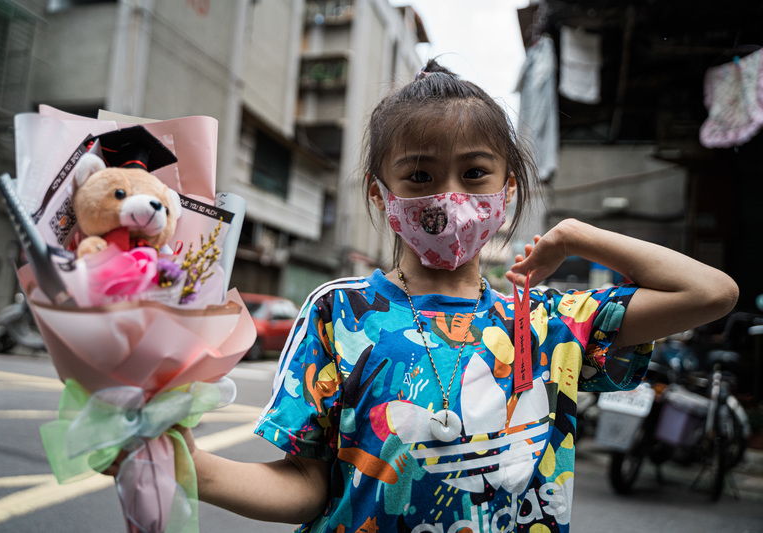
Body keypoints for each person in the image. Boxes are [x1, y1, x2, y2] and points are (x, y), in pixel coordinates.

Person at [177, 59, 739, 532]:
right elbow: (306, 485)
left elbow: (711, 292)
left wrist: (576, 236)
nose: (448, 198)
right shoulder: (338, 312)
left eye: (474, 173)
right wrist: (190, 467)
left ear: (506, 189)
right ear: (381, 194)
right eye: (419, 176)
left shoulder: (553, 322)